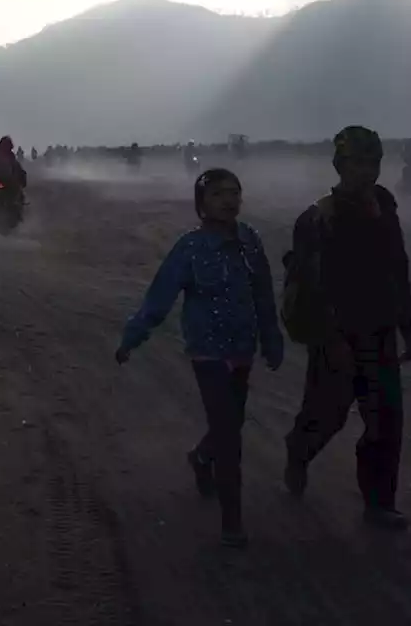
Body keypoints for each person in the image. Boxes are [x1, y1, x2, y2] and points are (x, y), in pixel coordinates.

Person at [116, 168, 284, 548]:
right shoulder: (189, 249)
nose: (229, 200)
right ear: (201, 203)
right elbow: (158, 299)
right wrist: (132, 339)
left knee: (232, 423)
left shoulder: (250, 241)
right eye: (218, 194)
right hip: (207, 351)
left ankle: (201, 457)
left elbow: (263, 297)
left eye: (235, 192)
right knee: (228, 432)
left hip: (242, 348)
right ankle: (232, 521)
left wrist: (272, 341)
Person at [282, 125, 411, 531]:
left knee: (386, 420)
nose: (367, 170)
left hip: (379, 331)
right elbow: (312, 286)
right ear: (340, 165)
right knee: (327, 415)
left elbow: (398, 268)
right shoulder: (318, 218)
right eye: (358, 162)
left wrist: (407, 326)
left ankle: (379, 503)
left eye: (373, 162)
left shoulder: (385, 206)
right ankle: (298, 452)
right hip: (336, 335)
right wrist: (330, 339)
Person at [0, 135, 27, 221]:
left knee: (19, 192)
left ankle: (18, 209)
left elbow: (17, 167)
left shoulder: (10, 156)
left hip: (9, 181)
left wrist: (22, 176)